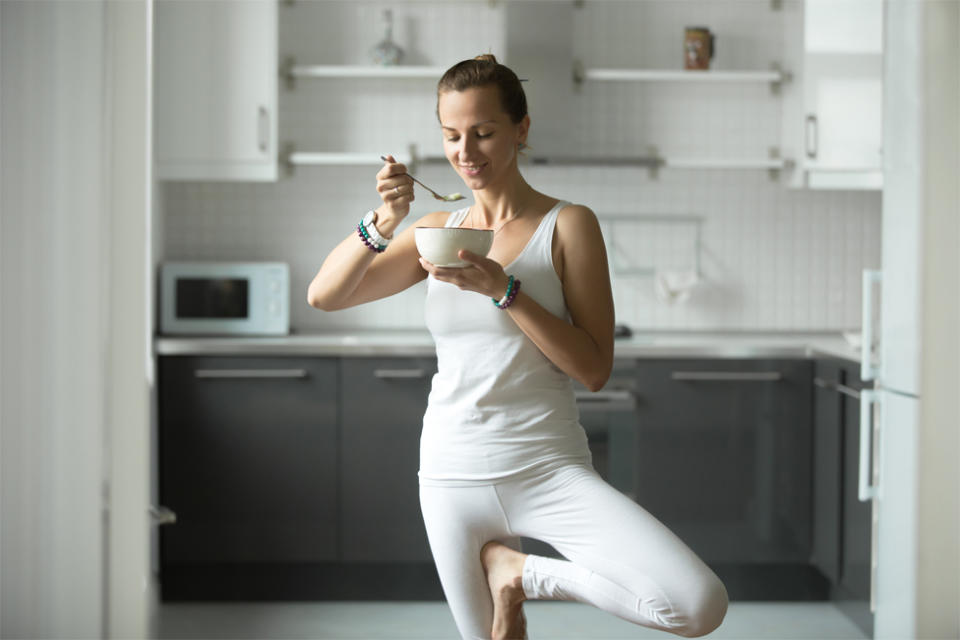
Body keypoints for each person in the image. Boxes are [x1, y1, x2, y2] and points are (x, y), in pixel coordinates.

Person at [307, 54, 728, 640]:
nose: (466, 152)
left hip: (547, 467)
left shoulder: (569, 224)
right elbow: (325, 295)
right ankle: (509, 576)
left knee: (696, 604)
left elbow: (594, 368)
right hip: (450, 472)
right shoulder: (436, 232)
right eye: (451, 136)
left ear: (520, 129)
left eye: (483, 132)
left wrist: (505, 290)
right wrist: (385, 218)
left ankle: (519, 572)